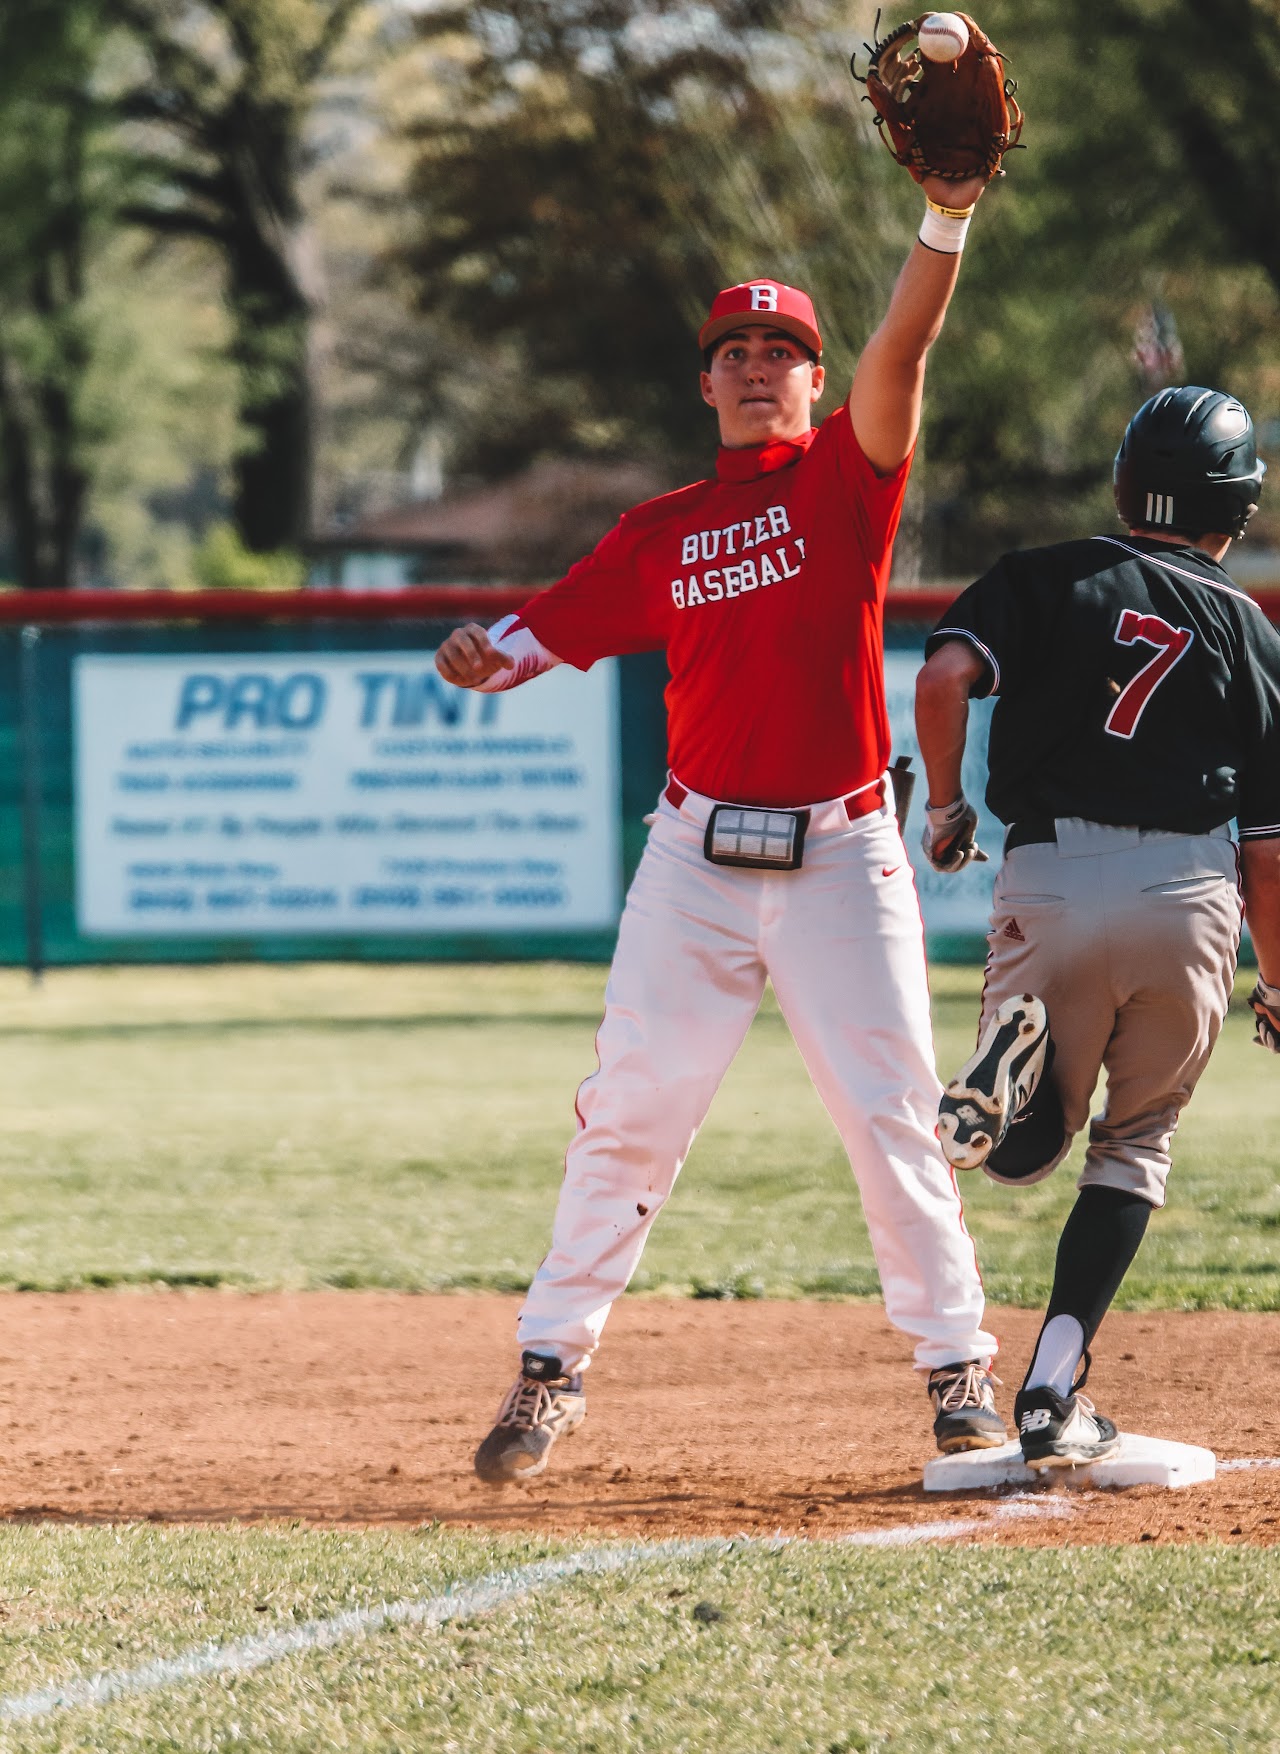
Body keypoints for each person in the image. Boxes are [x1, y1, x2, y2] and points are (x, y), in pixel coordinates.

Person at [437, 168, 1009, 1486]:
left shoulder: (848, 481)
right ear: (706, 384)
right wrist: (477, 657)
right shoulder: (663, 534)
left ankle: (956, 1369)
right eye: (736, 352)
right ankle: (549, 1369)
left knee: (895, 1118)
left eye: (784, 351)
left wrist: (947, 216)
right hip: (693, 860)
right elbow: (531, 636)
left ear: (816, 381)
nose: (760, 368)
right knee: (629, 1112)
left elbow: (907, 340)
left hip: (843, 854)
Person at [914, 384, 1280, 1470]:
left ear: (1124, 482)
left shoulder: (1036, 575)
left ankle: (1011, 1066)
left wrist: (944, 806)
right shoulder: (1251, 631)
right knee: (1132, 1146)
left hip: (1050, 872)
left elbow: (941, 676)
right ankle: (1048, 1388)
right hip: (1188, 894)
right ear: (1239, 504)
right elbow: (1266, 849)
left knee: (1025, 1152)